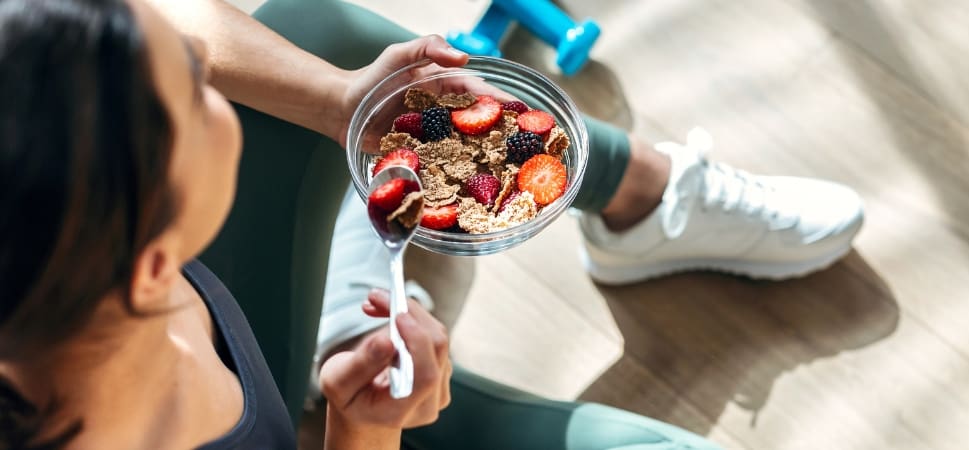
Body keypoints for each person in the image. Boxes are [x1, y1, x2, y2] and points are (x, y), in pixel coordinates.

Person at [151, 0, 864, 448]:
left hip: (206, 319)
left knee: (317, 28)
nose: (194, 85)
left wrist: (338, 102)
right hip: (261, 402)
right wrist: (364, 431)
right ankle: (349, 346)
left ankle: (638, 198)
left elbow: (142, 21)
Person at [0, 0, 453, 448]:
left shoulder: (86, 259)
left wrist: (339, 97)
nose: (203, 52)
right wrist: (366, 431)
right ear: (155, 266)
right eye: (196, 89)